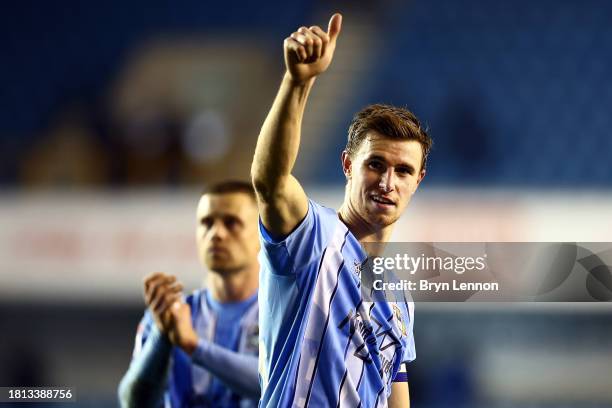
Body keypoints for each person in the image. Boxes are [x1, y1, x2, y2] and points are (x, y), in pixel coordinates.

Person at [250, 13, 432, 407]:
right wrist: (297, 83)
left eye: (403, 171)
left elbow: (395, 395)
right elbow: (271, 182)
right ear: (348, 165)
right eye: (375, 164)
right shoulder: (313, 236)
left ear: (417, 181)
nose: (387, 182)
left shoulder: (398, 295)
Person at [118, 181, 261, 407]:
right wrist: (161, 337)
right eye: (207, 223)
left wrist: (194, 347)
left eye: (231, 222)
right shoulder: (170, 316)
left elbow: (273, 383)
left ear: (262, 234)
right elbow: (132, 402)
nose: (216, 233)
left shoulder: (286, 315)